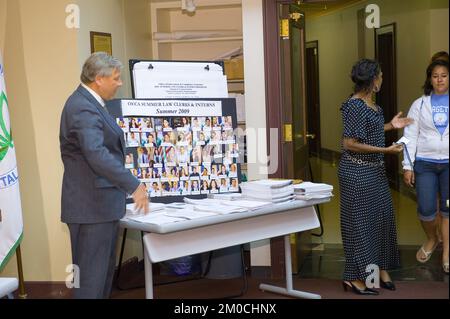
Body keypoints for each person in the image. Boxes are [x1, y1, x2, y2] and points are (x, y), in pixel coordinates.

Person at [59, 52, 149, 299]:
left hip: (99, 207)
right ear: (99, 79)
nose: (120, 83)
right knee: (90, 281)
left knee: (101, 278)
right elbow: (96, 154)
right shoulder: (82, 108)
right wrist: (134, 185)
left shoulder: (91, 103)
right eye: (116, 78)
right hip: (91, 208)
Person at [338, 59, 413, 295]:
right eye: (380, 75)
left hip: (375, 172)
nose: (382, 79)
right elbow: (350, 143)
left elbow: (368, 130)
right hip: (356, 172)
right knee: (360, 226)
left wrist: (390, 125)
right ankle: (355, 277)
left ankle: (378, 269)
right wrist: (386, 150)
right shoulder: (354, 105)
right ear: (373, 79)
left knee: (382, 221)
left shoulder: (373, 106)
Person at [402, 58, 449, 274]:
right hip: (426, 164)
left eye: (444, 75)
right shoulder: (419, 104)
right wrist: (408, 166)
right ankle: (432, 238)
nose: (439, 79)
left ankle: (447, 252)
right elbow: (410, 137)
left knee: (448, 209)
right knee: (427, 209)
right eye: (435, 75)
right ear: (430, 79)